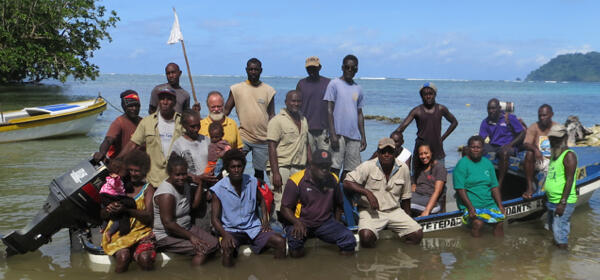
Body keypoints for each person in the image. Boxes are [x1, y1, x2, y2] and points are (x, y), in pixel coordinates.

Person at [211, 149, 286, 267]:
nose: (236, 170)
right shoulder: (218, 189)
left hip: (253, 228)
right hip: (231, 230)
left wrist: (265, 221)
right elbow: (214, 219)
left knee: (280, 242)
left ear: (244, 166)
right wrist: (224, 235)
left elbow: (262, 201)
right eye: (233, 167)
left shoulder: (252, 181)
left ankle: (278, 271)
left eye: (239, 166)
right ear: (227, 168)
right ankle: (228, 275)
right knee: (227, 250)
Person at [344, 138, 423, 248]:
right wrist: (367, 193)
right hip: (370, 211)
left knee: (417, 234)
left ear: (394, 153)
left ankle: (401, 259)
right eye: (383, 151)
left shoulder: (403, 168)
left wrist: (408, 218)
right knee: (366, 237)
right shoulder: (368, 166)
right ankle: (373, 261)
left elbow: (406, 197)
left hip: (394, 211)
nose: (386, 154)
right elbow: (347, 182)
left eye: (390, 152)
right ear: (378, 152)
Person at [280, 149, 356, 257]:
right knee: (295, 248)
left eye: (327, 165)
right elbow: (284, 208)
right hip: (301, 222)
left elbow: (339, 204)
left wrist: (337, 223)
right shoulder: (296, 180)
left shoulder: (333, 179)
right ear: (312, 165)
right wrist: (296, 222)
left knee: (348, 239)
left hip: (325, 223)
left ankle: (339, 270)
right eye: (320, 165)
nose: (324, 169)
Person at [153, 154, 219, 266]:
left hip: (186, 227)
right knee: (202, 249)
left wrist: (199, 184)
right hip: (166, 234)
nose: (181, 178)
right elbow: (168, 223)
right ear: (170, 173)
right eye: (177, 175)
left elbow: (194, 206)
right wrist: (191, 237)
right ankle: (194, 273)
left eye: (184, 174)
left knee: (214, 243)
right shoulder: (166, 194)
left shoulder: (185, 184)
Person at [101, 150, 156, 273]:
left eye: (137, 171)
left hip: (142, 232)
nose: (133, 174)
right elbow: (103, 214)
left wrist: (126, 210)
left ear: (144, 171)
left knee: (145, 258)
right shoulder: (118, 186)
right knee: (123, 257)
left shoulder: (148, 189)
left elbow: (148, 216)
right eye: (130, 170)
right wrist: (108, 209)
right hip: (118, 232)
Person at [224, 58, 276, 182]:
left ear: (261, 71)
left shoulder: (269, 90)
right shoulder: (236, 89)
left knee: (259, 173)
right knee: (233, 167)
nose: (253, 72)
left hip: (262, 139)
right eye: (251, 69)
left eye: (256, 69)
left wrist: (276, 137)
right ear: (246, 70)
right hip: (243, 136)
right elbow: (226, 111)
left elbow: (272, 115)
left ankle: (258, 198)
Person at [122, 88, 184, 188]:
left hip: (176, 180)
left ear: (175, 102)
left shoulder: (182, 122)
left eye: (169, 99)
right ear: (158, 102)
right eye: (162, 99)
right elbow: (133, 144)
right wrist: (117, 160)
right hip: (153, 180)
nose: (165, 102)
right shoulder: (147, 122)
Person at [394, 82, 458, 169]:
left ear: (435, 94)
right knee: (417, 179)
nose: (428, 96)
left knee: (440, 177)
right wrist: (391, 143)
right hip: (420, 150)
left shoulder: (441, 109)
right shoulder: (417, 111)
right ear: (421, 96)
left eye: (430, 94)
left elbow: (454, 122)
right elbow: (401, 128)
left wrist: (442, 138)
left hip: (437, 149)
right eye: (425, 94)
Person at [324, 54, 366, 181]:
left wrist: (363, 136)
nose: (349, 70)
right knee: (334, 168)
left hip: (354, 137)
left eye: (353, 68)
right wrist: (332, 134)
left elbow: (359, 113)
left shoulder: (358, 88)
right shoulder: (334, 84)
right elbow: (329, 109)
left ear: (356, 69)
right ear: (342, 67)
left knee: (351, 171)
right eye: (347, 67)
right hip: (338, 134)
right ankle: (331, 195)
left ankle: (343, 196)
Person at [453, 136, 505, 238]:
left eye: (478, 147)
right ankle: (475, 249)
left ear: (483, 149)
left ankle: (499, 249)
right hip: (470, 205)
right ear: (468, 148)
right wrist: (470, 208)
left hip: (488, 203)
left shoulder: (487, 163)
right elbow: (460, 189)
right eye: (473, 147)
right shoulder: (462, 164)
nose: (476, 150)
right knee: (478, 223)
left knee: (500, 223)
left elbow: (494, 186)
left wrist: (500, 205)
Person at [267, 90, 310, 214]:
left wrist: (310, 167)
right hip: (282, 167)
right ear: (286, 102)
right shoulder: (277, 121)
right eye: (293, 101)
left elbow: (307, 145)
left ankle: (294, 228)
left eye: (298, 101)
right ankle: (281, 229)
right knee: (281, 202)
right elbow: (271, 147)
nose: (296, 104)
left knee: (298, 201)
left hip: (300, 168)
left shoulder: (303, 120)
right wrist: (275, 173)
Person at [479, 98, 525, 192]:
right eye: (489, 108)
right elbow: (481, 139)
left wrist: (511, 144)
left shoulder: (508, 118)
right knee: (471, 149)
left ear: (499, 108)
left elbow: (522, 133)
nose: (491, 111)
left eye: (493, 108)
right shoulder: (486, 121)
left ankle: (499, 184)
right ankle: (475, 178)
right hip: (493, 146)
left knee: (503, 152)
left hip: (508, 146)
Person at [544, 124, 578, 249]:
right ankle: (556, 261)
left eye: (556, 138)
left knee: (560, 235)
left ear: (564, 137)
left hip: (562, 201)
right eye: (551, 138)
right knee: (554, 230)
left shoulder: (569, 155)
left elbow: (569, 180)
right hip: (552, 200)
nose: (553, 141)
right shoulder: (555, 155)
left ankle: (562, 262)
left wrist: (562, 203)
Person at [93, 90, 142, 162]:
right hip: (120, 164)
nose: (134, 109)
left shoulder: (143, 122)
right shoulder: (119, 123)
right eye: (130, 106)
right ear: (124, 107)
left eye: (136, 106)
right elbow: (108, 140)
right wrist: (102, 153)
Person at [522, 104, 558, 199]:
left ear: (551, 114)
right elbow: (526, 144)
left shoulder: (557, 128)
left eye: (544, 115)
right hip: (540, 160)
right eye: (540, 116)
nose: (542, 118)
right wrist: (535, 150)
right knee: (529, 153)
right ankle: (530, 187)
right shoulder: (534, 127)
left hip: (553, 161)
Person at [296, 56, 331, 152]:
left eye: (314, 68)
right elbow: (296, 107)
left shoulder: (328, 83)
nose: (311, 70)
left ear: (319, 67)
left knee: (325, 161)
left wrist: (332, 132)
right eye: (309, 68)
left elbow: (333, 108)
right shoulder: (301, 84)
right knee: (308, 161)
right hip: (306, 129)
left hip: (324, 130)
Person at [99, 159, 136, 242]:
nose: (127, 171)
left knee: (109, 212)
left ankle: (103, 228)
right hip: (110, 198)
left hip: (107, 197)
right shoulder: (115, 180)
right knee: (120, 216)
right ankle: (110, 232)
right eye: (125, 170)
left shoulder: (109, 180)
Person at [410, 144, 447, 217]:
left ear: (431, 153)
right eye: (421, 154)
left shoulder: (439, 168)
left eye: (426, 153)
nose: (424, 156)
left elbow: (437, 191)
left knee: (408, 203)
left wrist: (426, 211)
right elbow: (413, 186)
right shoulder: (419, 167)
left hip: (431, 200)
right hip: (418, 196)